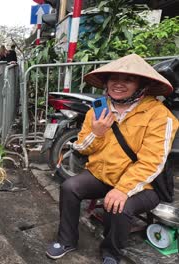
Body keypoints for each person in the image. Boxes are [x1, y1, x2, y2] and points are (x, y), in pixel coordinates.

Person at [46, 54, 179, 264]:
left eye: (128, 79)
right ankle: (66, 240)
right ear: (106, 82)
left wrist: (122, 189)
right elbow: (81, 148)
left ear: (141, 84)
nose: (118, 84)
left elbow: (152, 162)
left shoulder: (160, 116)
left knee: (120, 206)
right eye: (113, 78)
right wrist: (97, 133)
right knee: (69, 187)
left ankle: (111, 252)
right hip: (103, 175)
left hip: (144, 186)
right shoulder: (98, 109)